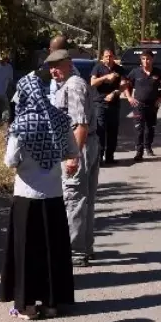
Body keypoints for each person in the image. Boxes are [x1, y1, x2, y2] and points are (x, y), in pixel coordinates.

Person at [1, 73, 79, 320]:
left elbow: (10, 161)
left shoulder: (21, 124)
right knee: (51, 250)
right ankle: (52, 303)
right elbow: (71, 150)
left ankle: (27, 306)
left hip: (26, 195)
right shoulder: (59, 118)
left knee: (26, 253)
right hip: (54, 193)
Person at [46, 50, 99, 267]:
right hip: (85, 145)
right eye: (50, 67)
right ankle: (84, 248)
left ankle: (75, 251)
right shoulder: (68, 85)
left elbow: (81, 124)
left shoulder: (74, 85)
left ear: (68, 64)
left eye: (57, 66)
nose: (53, 71)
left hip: (78, 146)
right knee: (83, 199)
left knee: (74, 198)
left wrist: (73, 156)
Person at [124, 49, 161, 162]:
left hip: (153, 105)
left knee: (150, 128)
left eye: (148, 59)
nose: (146, 61)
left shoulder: (158, 72)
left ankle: (148, 146)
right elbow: (125, 84)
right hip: (138, 104)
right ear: (141, 60)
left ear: (152, 59)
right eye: (143, 59)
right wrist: (129, 97)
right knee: (139, 128)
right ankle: (139, 152)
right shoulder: (135, 72)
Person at [89, 48, 126, 165]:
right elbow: (92, 82)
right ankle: (99, 158)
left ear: (114, 57)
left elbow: (124, 85)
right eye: (106, 56)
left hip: (114, 104)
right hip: (100, 103)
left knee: (113, 131)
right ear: (102, 57)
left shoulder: (119, 69)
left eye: (110, 56)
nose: (108, 58)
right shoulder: (98, 67)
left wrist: (115, 92)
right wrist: (106, 77)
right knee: (100, 130)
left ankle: (110, 157)